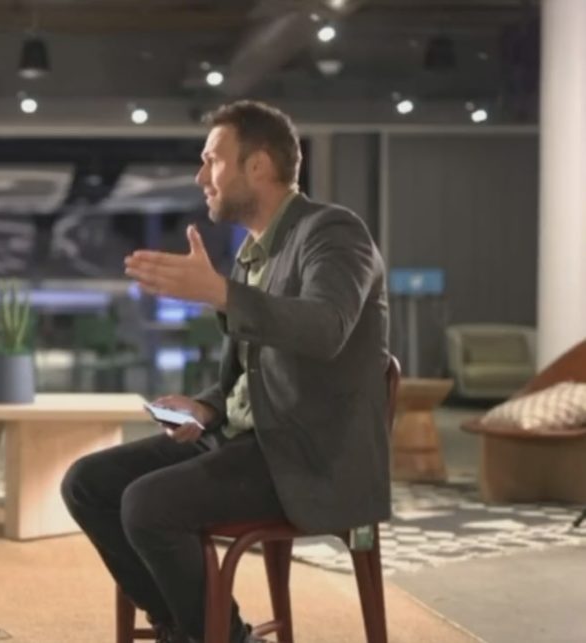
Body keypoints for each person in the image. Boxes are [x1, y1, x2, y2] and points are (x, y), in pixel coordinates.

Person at [61, 100, 390, 643]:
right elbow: (252, 375)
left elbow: (326, 328)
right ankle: (191, 629)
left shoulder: (332, 232)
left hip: (305, 455)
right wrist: (206, 406)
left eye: (212, 160)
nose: (201, 177)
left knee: (147, 505)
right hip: (244, 439)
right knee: (87, 484)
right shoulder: (251, 253)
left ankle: (223, 637)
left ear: (257, 165)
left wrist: (220, 293)